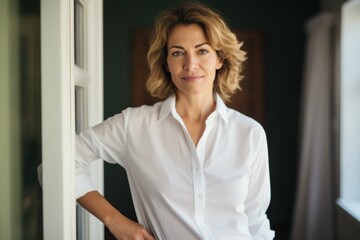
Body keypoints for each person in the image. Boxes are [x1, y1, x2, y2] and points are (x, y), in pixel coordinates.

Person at [76, 1, 275, 239]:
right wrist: (114, 220)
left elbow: (255, 220)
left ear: (219, 58)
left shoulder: (250, 133)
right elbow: (58, 164)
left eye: (202, 51)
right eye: (178, 52)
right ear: (166, 62)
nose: (190, 65)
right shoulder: (134, 125)